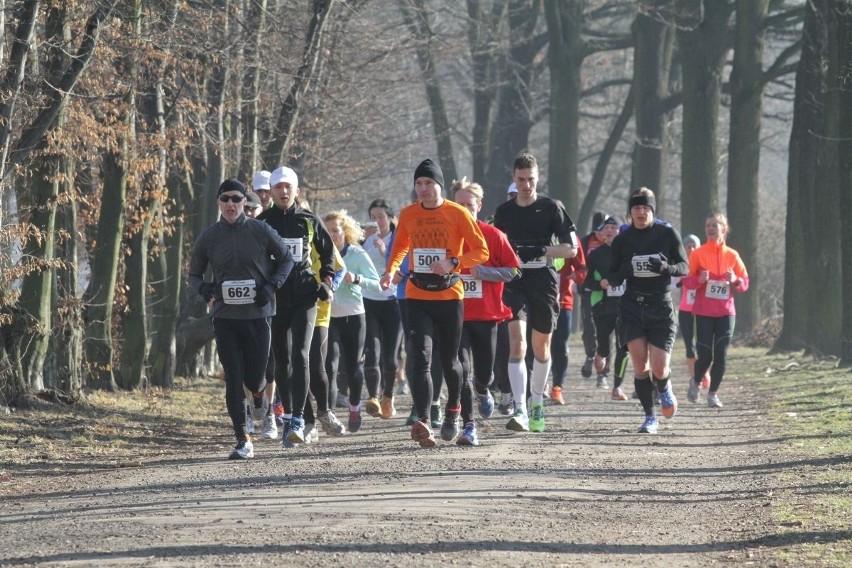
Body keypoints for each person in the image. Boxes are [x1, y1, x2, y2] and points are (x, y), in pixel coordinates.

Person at [380, 159, 488, 447]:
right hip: (417, 294)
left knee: (450, 361)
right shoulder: (408, 214)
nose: (423, 188)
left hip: (449, 296)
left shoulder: (457, 213)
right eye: (419, 183)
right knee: (420, 357)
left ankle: (454, 411)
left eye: (428, 183)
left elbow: (481, 251)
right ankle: (424, 420)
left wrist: (454, 261)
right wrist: (391, 271)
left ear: (439, 185)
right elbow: (401, 245)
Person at [188, 178, 294, 459]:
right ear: (219, 203)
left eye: (236, 199)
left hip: (258, 315)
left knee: (256, 377)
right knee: (233, 376)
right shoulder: (209, 237)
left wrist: (271, 287)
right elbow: (194, 274)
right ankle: (242, 439)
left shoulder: (260, 230)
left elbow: (287, 260)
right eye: (225, 199)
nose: (231, 204)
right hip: (225, 317)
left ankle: (259, 397)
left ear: (245, 202)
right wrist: (204, 288)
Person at [492, 152, 579, 433]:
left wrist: (543, 250)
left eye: (530, 179)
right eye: (520, 180)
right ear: (513, 180)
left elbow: (572, 249)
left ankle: (537, 402)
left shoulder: (552, 208)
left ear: (537, 178)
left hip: (544, 281)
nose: (526, 185)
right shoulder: (504, 212)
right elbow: (494, 249)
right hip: (515, 280)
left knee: (541, 348)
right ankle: (520, 409)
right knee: (517, 344)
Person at [258, 166, 336, 446]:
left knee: (302, 354)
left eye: (287, 187)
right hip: (276, 298)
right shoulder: (263, 221)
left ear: (296, 191)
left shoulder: (310, 220)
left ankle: (300, 419)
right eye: (278, 187)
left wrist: (327, 282)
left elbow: (328, 255)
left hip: (305, 295)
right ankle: (290, 414)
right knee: (282, 360)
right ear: (272, 191)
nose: (283, 191)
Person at [607, 187, 688, 434]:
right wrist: (624, 271)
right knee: (640, 366)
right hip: (632, 305)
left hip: (660, 306)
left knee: (660, 367)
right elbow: (612, 278)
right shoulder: (623, 239)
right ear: (630, 212)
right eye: (636, 209)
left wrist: (665, 268)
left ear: (652, 210)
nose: (641, 213)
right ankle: (649, 417)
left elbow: (684, 266)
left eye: (645, 208)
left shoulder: (666, 234)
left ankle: (664, 387)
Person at [451, 177, 520, 445]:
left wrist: (485, 273)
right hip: (455, 315)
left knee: (483, 373)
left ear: (479, 206)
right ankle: (468, 426)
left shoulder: (493, 235)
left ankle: (483, 390)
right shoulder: (447, 234)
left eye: (469, 204)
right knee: (462, 371)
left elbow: (514, 271)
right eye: (459, 204)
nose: (464, 209)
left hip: (488, 315)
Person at [323, 209, 382, 433]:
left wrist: (356, 278)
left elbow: (377, 284)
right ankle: (327, 414)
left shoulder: (356, 254)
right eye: (327, 232)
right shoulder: (321, 254)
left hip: (355, 316)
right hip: (329, 317)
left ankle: (354, 408)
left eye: (335, 230)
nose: (332, 235)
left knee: (351, 367)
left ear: (344, 231)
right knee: (329, 366)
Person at [682, 213, 749, 408]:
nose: (710, 229)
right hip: (703, 312)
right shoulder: (698, 254)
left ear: (723, 229)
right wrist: (699, 280)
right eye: (708, 226)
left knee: (721, 354)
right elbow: (686, 281)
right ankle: (695, 381)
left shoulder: (732, 255)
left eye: (714, 226)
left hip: (726, 312)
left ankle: (713, 394)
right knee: (706, 355)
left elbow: (744, 283)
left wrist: (734, 279)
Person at [361, 199, 403, 419]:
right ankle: (373, 397)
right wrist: (363, 244)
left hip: (393, 301)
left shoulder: (398, 240)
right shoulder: (364, 240)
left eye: (381, 216)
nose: (377, 221)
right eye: (373, 216)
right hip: (369, 300)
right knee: (372, 351)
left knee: (390, 357)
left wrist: (386, 251)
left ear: (390, 218)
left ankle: (388, 396)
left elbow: (402, 265)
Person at [583, 216, 631, 400]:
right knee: (604, 345)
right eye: (607, 228)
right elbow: (586, 282)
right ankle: (600, 353)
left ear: (620, 232)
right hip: (602, 306)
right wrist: (600, 284)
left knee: (623, 347)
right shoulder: (595, 255)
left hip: (625, 307)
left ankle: (617, 387)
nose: (609, 230)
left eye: (613, 227)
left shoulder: (628, 254)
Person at [549, 226, 587, 403]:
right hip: (538, 300)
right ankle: (534, 388)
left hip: (563, 302)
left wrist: (574, 276)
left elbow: (582, 270)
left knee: (560, 345)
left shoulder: (571, 239)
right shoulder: (534, 235)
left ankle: (557, 386)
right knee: (536, 346)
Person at [578, 211, 610, 379]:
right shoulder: (585, 242)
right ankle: (591, 354)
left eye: (606, 228)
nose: (603, 233)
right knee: (589, 329)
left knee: (606, 329)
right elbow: (579, 265)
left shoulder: (613, 243)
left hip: (609, 293)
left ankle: (604, 372)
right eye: (600, 229)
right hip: (589, 291)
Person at [675, 234, 707, 391]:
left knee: (704, 345)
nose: (692, 249)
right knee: (690, 346)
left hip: (703, 310)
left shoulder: (705, 265)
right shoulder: (682, 266)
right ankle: (695, 378)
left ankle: (703, 373)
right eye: (688, 247)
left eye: (695, 246)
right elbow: (675, 282)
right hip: (685, 310)